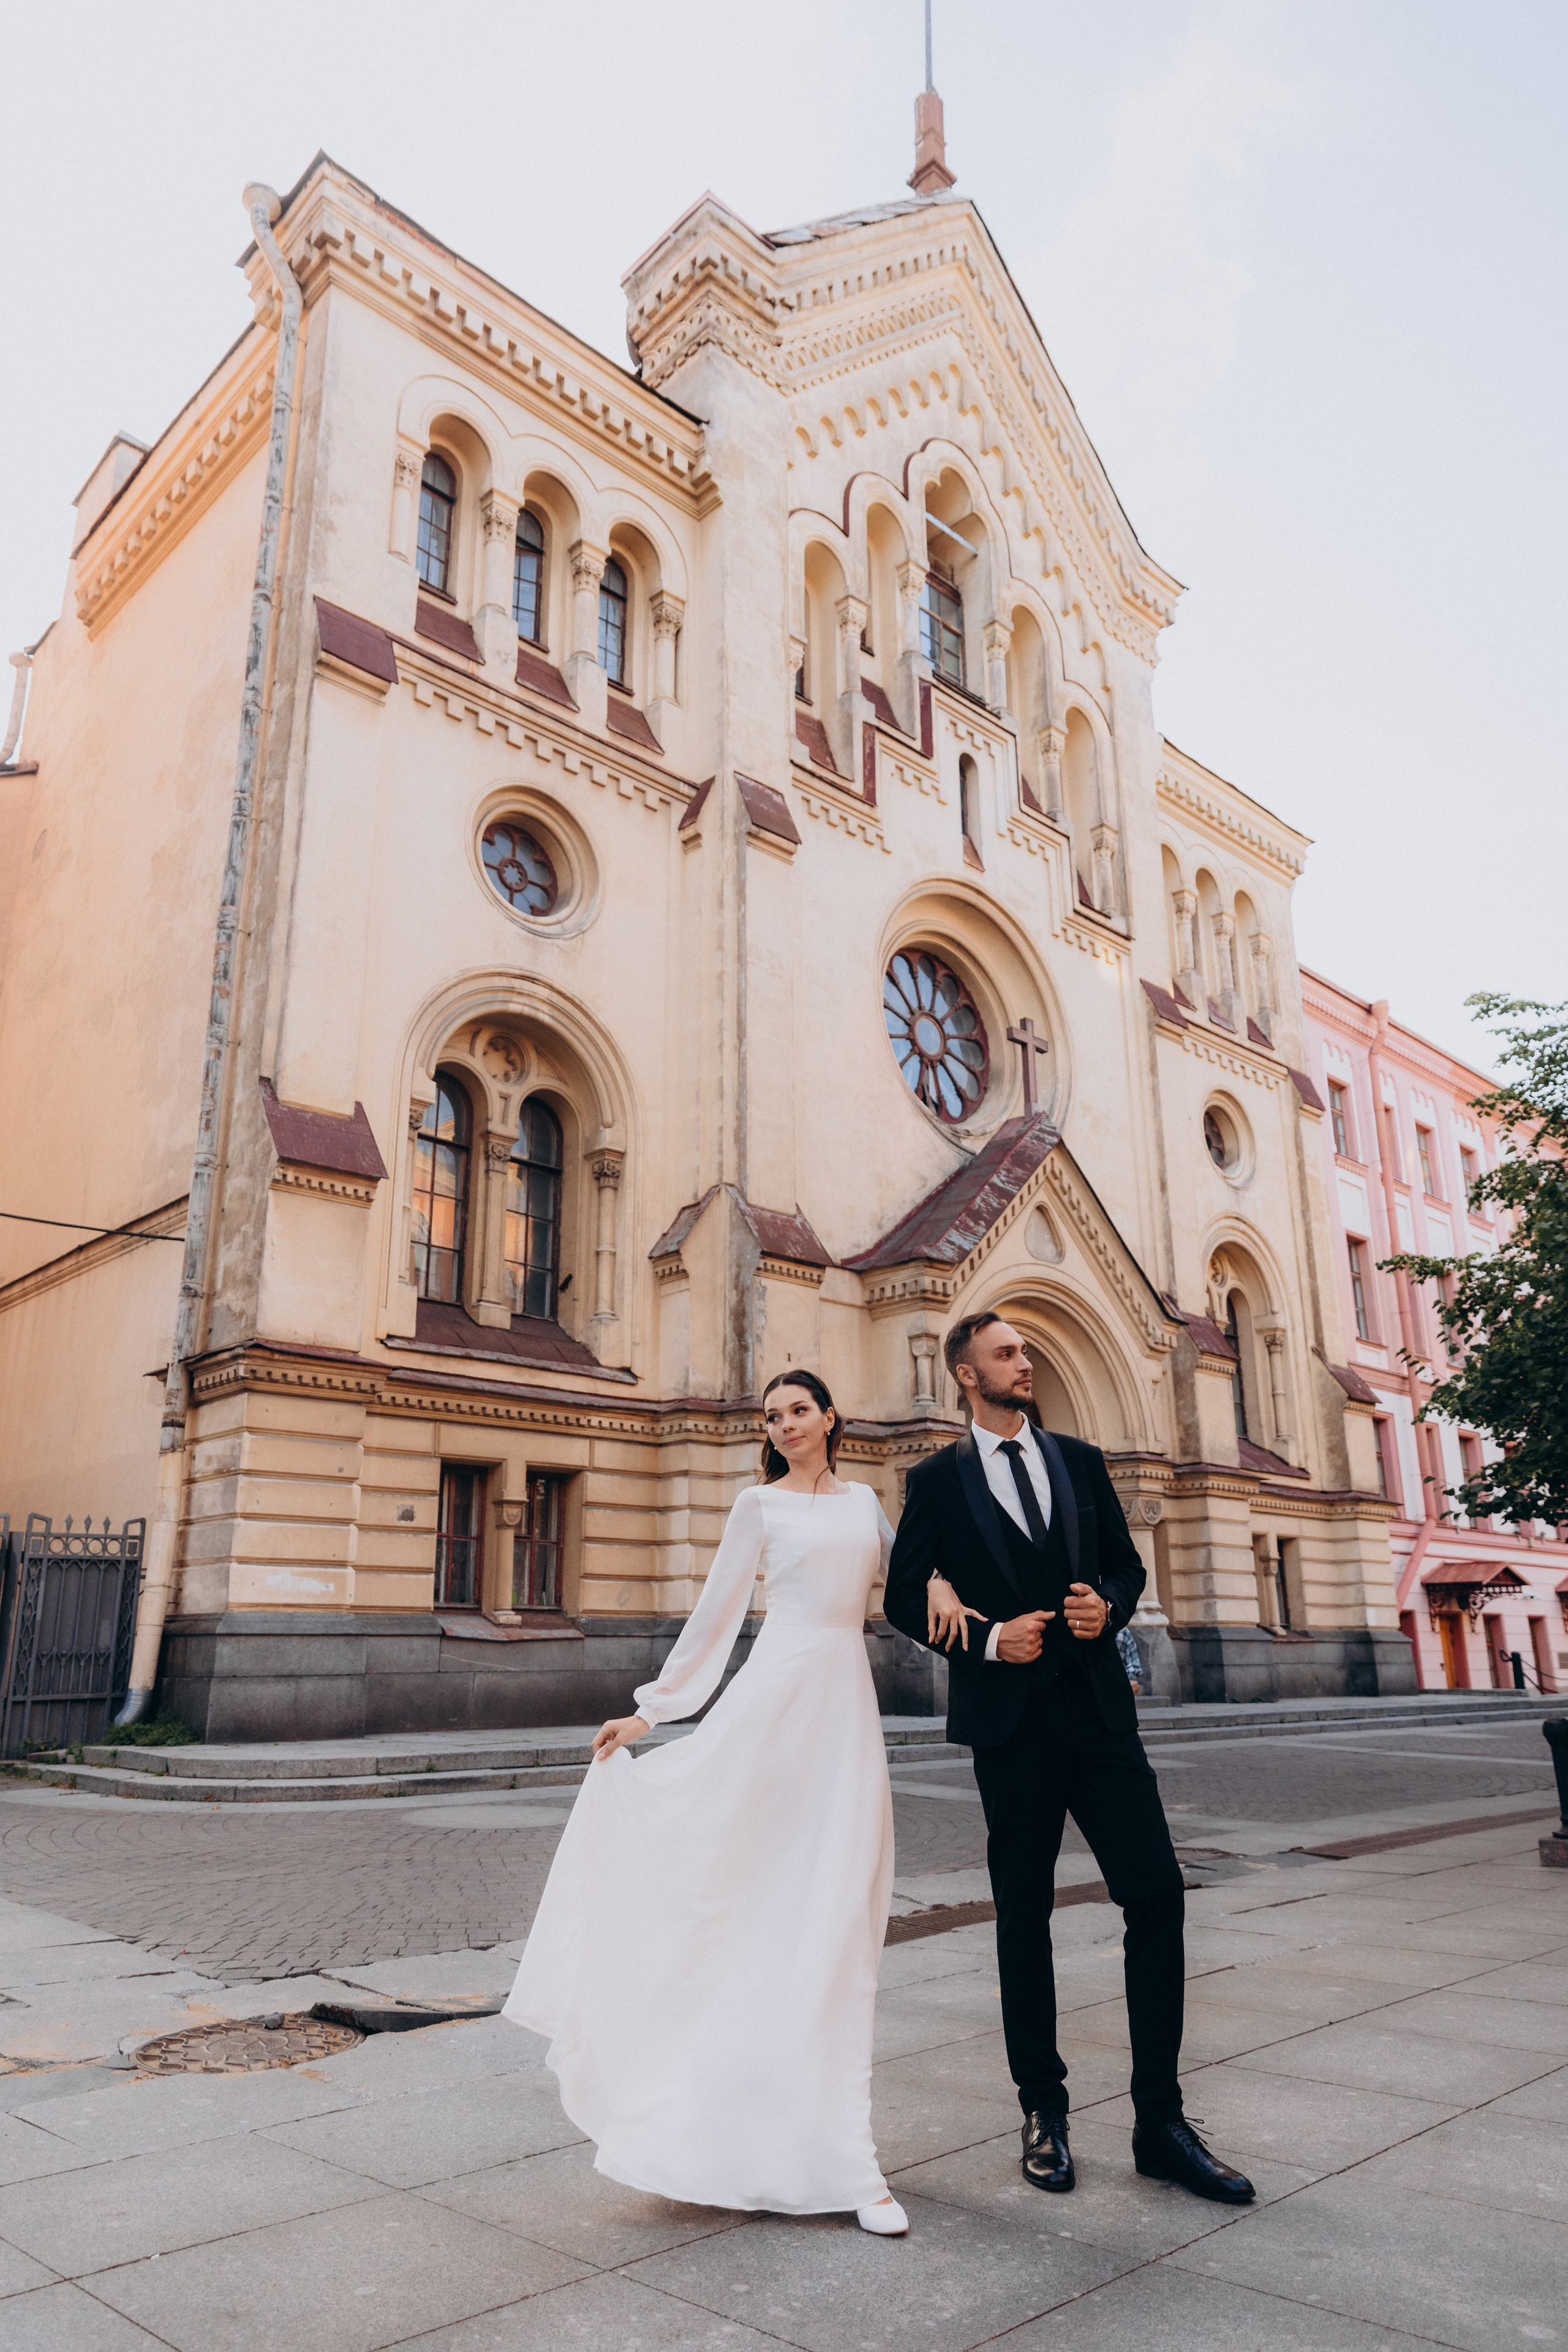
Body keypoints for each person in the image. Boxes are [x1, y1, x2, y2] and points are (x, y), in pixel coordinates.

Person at [503, 1368, 968, 2233]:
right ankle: (727, 2128)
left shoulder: (865, 1502)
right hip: (771, 1710)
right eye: (773, 1416)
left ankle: (845, 2159)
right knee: (748, 1907)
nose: (785, 1425)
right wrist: (650, 1713)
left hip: (844, 1717)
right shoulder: (759, 1506)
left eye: (799, 1411)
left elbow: (906, 1580)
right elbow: (714, 1619)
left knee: (840, 1923)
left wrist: (939, 1580)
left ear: (831, 1416)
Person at [883, 1311, 1254, 2206]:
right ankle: (1043, 2113)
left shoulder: (1081, 1462)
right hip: (1009, 1729)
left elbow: (1126, 1568)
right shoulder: (934, 1480)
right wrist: (987, 1640)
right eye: (1007, 1353)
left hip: (1098, 1719)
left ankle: (1161, 2123)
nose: (1026, 1361)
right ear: (967, 1375)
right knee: (1024, 1915)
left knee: (1156, 1893)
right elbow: (901, 1598)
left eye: (1025, 1350)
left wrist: (1108, 1607)